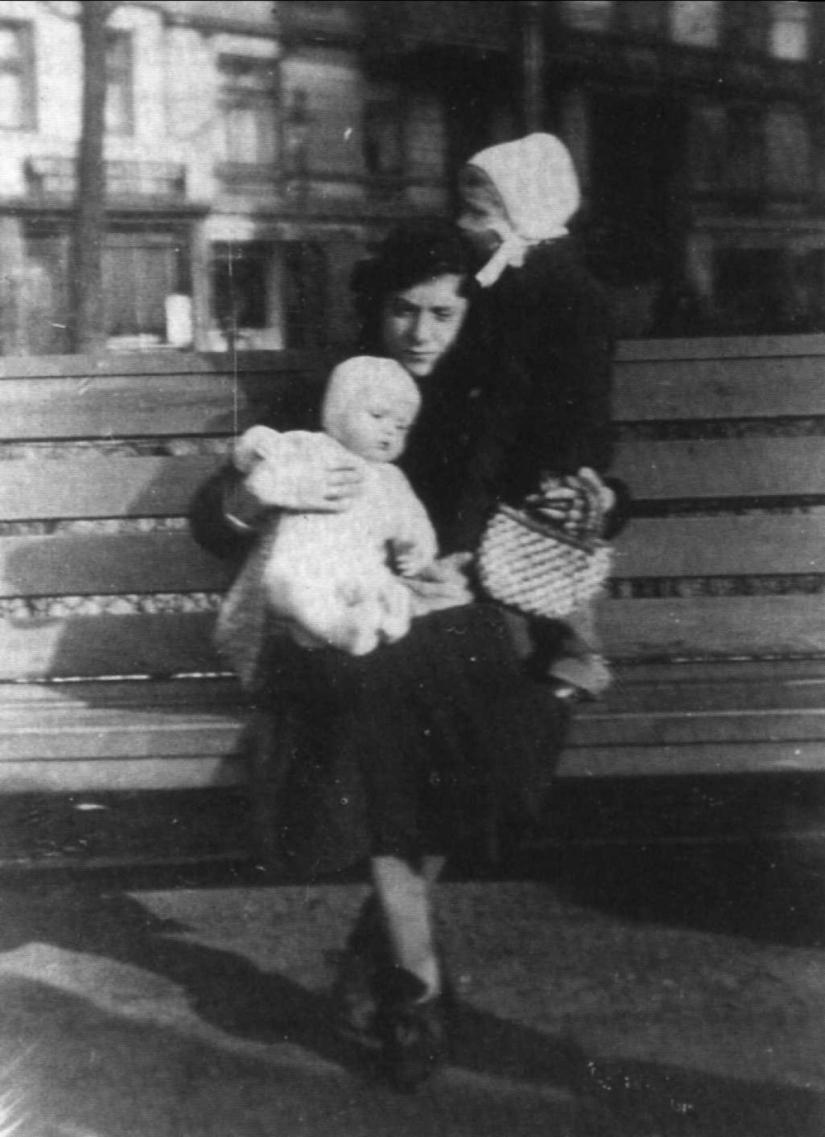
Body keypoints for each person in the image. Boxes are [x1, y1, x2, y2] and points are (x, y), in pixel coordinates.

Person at [190, 216, 619, 1092]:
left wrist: (597, 500)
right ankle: (416, 976)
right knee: (394, 692)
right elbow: (213, 516)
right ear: (374, 308)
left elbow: (580, 492)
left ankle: (380, 946)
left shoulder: (495, 394)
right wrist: (257, 489)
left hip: (450, 621)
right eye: (401, 310)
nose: (420, 334)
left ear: (470, 316)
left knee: (459, 683)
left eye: (442, 313)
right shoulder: (329, 391)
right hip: (334, 627)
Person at [457, 132, 619, 701]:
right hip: (525, 443)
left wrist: (572, 460)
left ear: (524, 213)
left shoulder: (558, 286)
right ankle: (537, 652)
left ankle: (578, 653)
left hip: (558, 448)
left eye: (477, 213)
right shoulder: (504, 279)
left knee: (556, 539)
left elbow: (580, 385)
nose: (464, 224)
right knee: (518, 552)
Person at [215, 356, 437, 680]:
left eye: (401, 426)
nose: (390, 430)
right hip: (303, 564)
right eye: (377, 416)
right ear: (336, 413)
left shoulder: (392, 479)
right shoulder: (309, 445)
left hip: (360, 570)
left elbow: (413, 522)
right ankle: (340, 628)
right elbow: (255, 452)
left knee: (384, 589)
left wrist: (417, 550)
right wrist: (255, 446)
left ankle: (371, 623)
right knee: (290, 588)